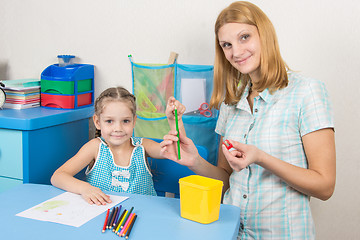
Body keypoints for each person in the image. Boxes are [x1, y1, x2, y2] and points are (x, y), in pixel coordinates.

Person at [160, 1, 335, 239]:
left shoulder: (307, 92)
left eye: (244, 37)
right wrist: (194, 161)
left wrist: (261, 158)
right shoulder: (230, 104)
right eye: (227, 45)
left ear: (264, 34)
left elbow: (325, 186)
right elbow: (227, 179)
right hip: (232, 232)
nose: (236, 52)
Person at [51, 87, 185, 205]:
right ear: (97, 122)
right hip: (103, 217)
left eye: (125, 121)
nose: (118, 128)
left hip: (145, 217)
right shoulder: (94, 148)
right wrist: (84, 188)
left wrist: (174, 121)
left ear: (134, 121)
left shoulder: (144, 145)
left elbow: (175, 150)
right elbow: (58, 176)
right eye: (109, 121)